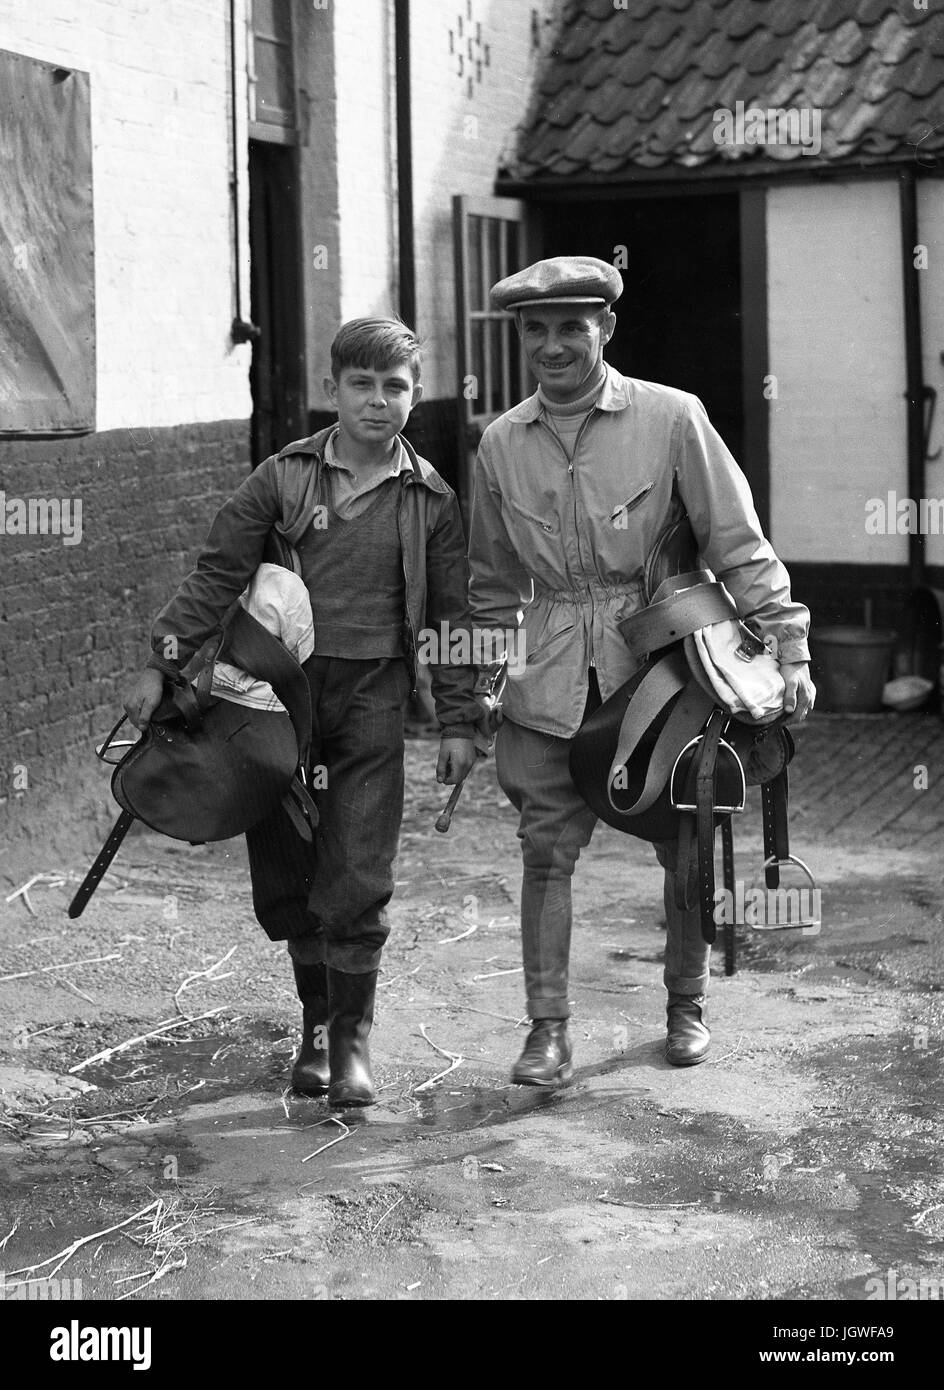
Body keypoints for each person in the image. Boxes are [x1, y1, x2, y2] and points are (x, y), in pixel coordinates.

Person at [467, 256, 815, 1086]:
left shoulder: (672, 418)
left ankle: (685, 1004)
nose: (554, 346)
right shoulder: (499, 443)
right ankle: (547, 1029)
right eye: (537, 330)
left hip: (660, 670)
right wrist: (479, 682)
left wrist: (788, 647)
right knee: (544, 852)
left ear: (606, 328)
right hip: (547, 677)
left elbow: (737, 542)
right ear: (521, 337)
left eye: (571, 328)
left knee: (686, 836)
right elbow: (489, 583)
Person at [123, 318, 479, 1107]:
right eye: (363, 385)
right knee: (288, 869)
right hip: (273, 701)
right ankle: (315, 1031)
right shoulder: (283, 479)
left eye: (396, 387)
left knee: (357, 867)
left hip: (375, 700)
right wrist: (164, 663)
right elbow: (217, 574)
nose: (379, 402)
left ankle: (351, 1047)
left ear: (415, 397)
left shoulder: (431, 500)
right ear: (335, 389)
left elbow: (452, 617)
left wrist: (459, 719)